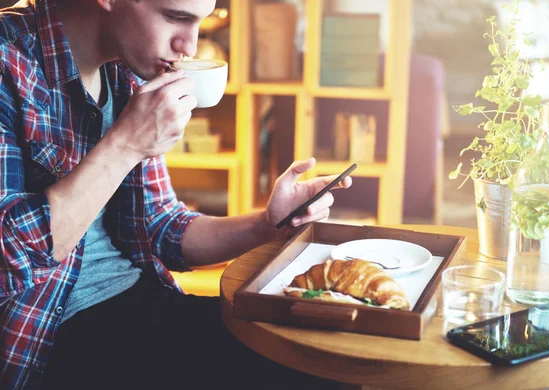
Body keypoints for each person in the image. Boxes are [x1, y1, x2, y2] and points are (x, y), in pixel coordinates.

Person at [0, 0, 352, 389]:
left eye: (199, 22)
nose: (190, 45)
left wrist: (269, 222)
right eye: (176, 17)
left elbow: (163, 229)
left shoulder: (129, 68)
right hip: (46, 336)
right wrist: (126, 144)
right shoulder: (8, 60)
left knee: (328, 359)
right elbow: (8, 260)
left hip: (140, 302)